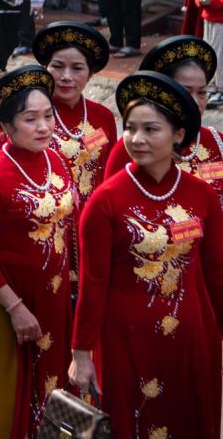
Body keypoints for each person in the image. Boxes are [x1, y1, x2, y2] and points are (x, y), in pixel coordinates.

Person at [69, 71, 223, 439]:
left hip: (192, 333)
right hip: (125, 337)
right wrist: (81, 353)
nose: (138, 139)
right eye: (131, 128)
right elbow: (93, 283)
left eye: (151, 129)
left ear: (178, 135)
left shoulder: (201, 196)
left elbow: (217, 272)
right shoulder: (106, 202)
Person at [0, 66, 77, 439]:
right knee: (10, 392)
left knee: (54, 384)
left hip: (55, 297)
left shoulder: (56, 161)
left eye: (48, 116)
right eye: (31, 119)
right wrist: (14, 308)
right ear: (7, 127)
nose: (43, 126)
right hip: (9, 303)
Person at [105, 36, 223, 201]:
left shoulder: (217, 142)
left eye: (202, 92)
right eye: (186, 92)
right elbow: (110, 206)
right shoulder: (131, 148)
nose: (195, 102)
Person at [32, 22, 117, 211]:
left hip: (91, 219)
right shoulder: (29, 114)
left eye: (77, 68)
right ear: (45, 67)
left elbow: (111, 176)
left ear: (91, 73)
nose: (66, 76)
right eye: (58, 66)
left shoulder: (103, 117)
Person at [193, 0, 223, 104]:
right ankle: (210, 86)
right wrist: (201, 1)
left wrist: (213, 2)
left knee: (220, 53)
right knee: (209, 52)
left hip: (221, 21)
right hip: (208, 19)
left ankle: (220, 88)